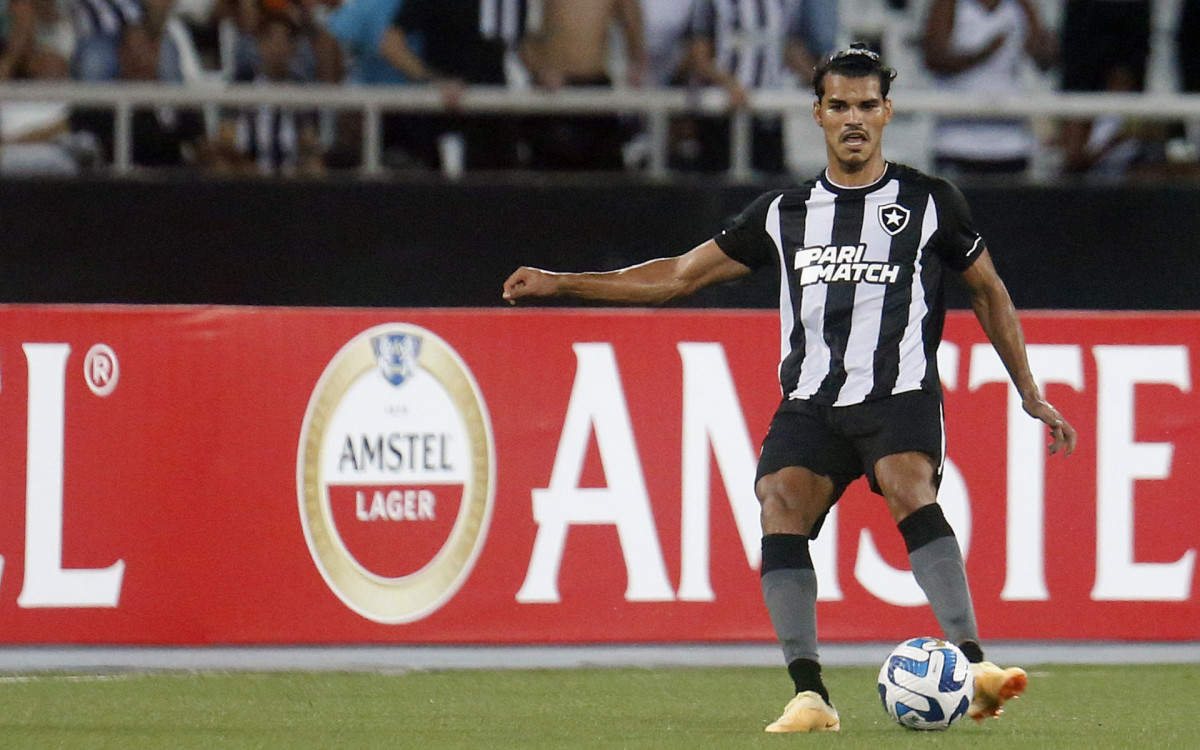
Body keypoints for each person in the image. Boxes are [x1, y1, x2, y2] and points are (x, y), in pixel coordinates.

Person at [502, 44, 1077, 733]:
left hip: (900, 394)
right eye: (840, 106)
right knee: (778, 500)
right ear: (819, 115)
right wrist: (566, 283)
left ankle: (976, 665)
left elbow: (989, 291)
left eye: (867, 105)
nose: (854, 118)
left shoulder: (930, 203)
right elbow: (679, 276)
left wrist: (1028, 389)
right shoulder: (784, 212)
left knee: (906, 482)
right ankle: (811, 695)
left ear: (888, 113)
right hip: (812, 402)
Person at [682, 0, 839, 174]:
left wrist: (822, 83)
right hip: (720, 116)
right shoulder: (713, 3)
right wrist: (729, 84)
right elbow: (697, 55)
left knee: (771, 185)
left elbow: (789, 49)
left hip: (768, 116)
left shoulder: (783, 4)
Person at [921, 0, 1056, 177]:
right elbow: (934, 58)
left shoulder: (1019, 6)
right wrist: (983, 53)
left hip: (1012, 144)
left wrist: (1040, 31)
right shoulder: (949, 4)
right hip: (957, 142)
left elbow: (1045, 61)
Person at [520, 0, 647, 170]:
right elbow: (523, 37)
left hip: (595, 91)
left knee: (601, 176)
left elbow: (633, 28)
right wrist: (539, 70)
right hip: (552, 94)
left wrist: (637, 67)